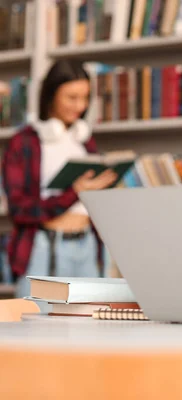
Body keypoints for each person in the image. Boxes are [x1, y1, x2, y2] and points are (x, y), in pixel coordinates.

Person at [1, 60, 117, 299]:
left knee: (91, 328)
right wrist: (74, 192)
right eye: (71, 97)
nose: (80, 106)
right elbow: (19, 209)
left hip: (88, 247)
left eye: (85, 98)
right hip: (44, 247)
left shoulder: (84, 141)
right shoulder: (24, 143)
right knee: (36, 329)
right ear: (51, 95)